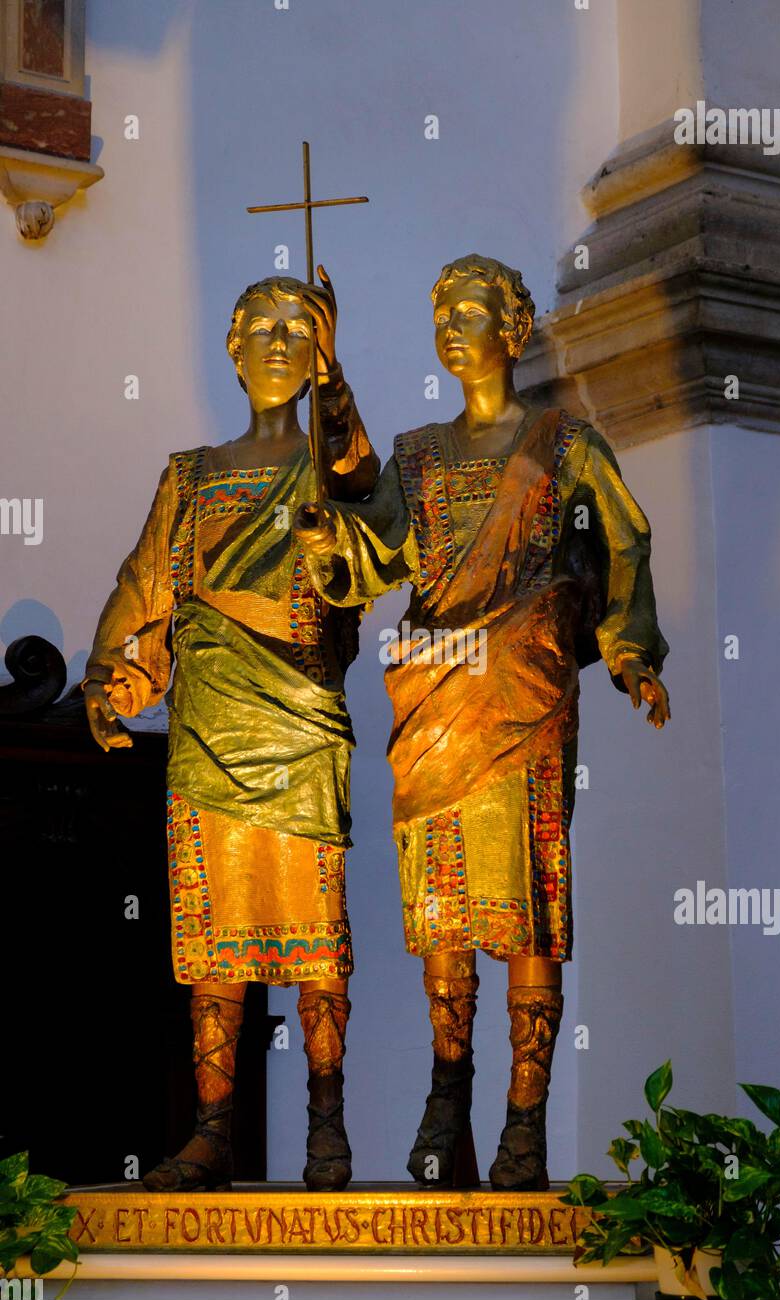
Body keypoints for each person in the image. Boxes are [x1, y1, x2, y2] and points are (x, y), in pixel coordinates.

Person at [296, 254, 670, 1190]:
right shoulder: (420, 456)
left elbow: (624, 542)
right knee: (445, 906)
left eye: (473, 310)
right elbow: (374, 547)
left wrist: (631, 653)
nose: (455, 327)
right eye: (443, 314)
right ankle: (446, 1097)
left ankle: (525, 1123)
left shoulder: (565, 443)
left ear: (515, 329)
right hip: (433, 699)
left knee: (530, 901)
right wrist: (323, 532)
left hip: (525, 697)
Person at [83, 269, 378, 1192]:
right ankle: (212, 1129)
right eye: (263, 328)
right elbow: (145, 587)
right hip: (210, 729)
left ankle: (325, 1127)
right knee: (216, 933)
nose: (281, 344)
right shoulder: (193, 475)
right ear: (232, 348)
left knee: (314, 932)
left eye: (301, 330)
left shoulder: (330, 467)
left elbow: (375, 510)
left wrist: (338, 384)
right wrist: (108, 674)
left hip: (300, 718)